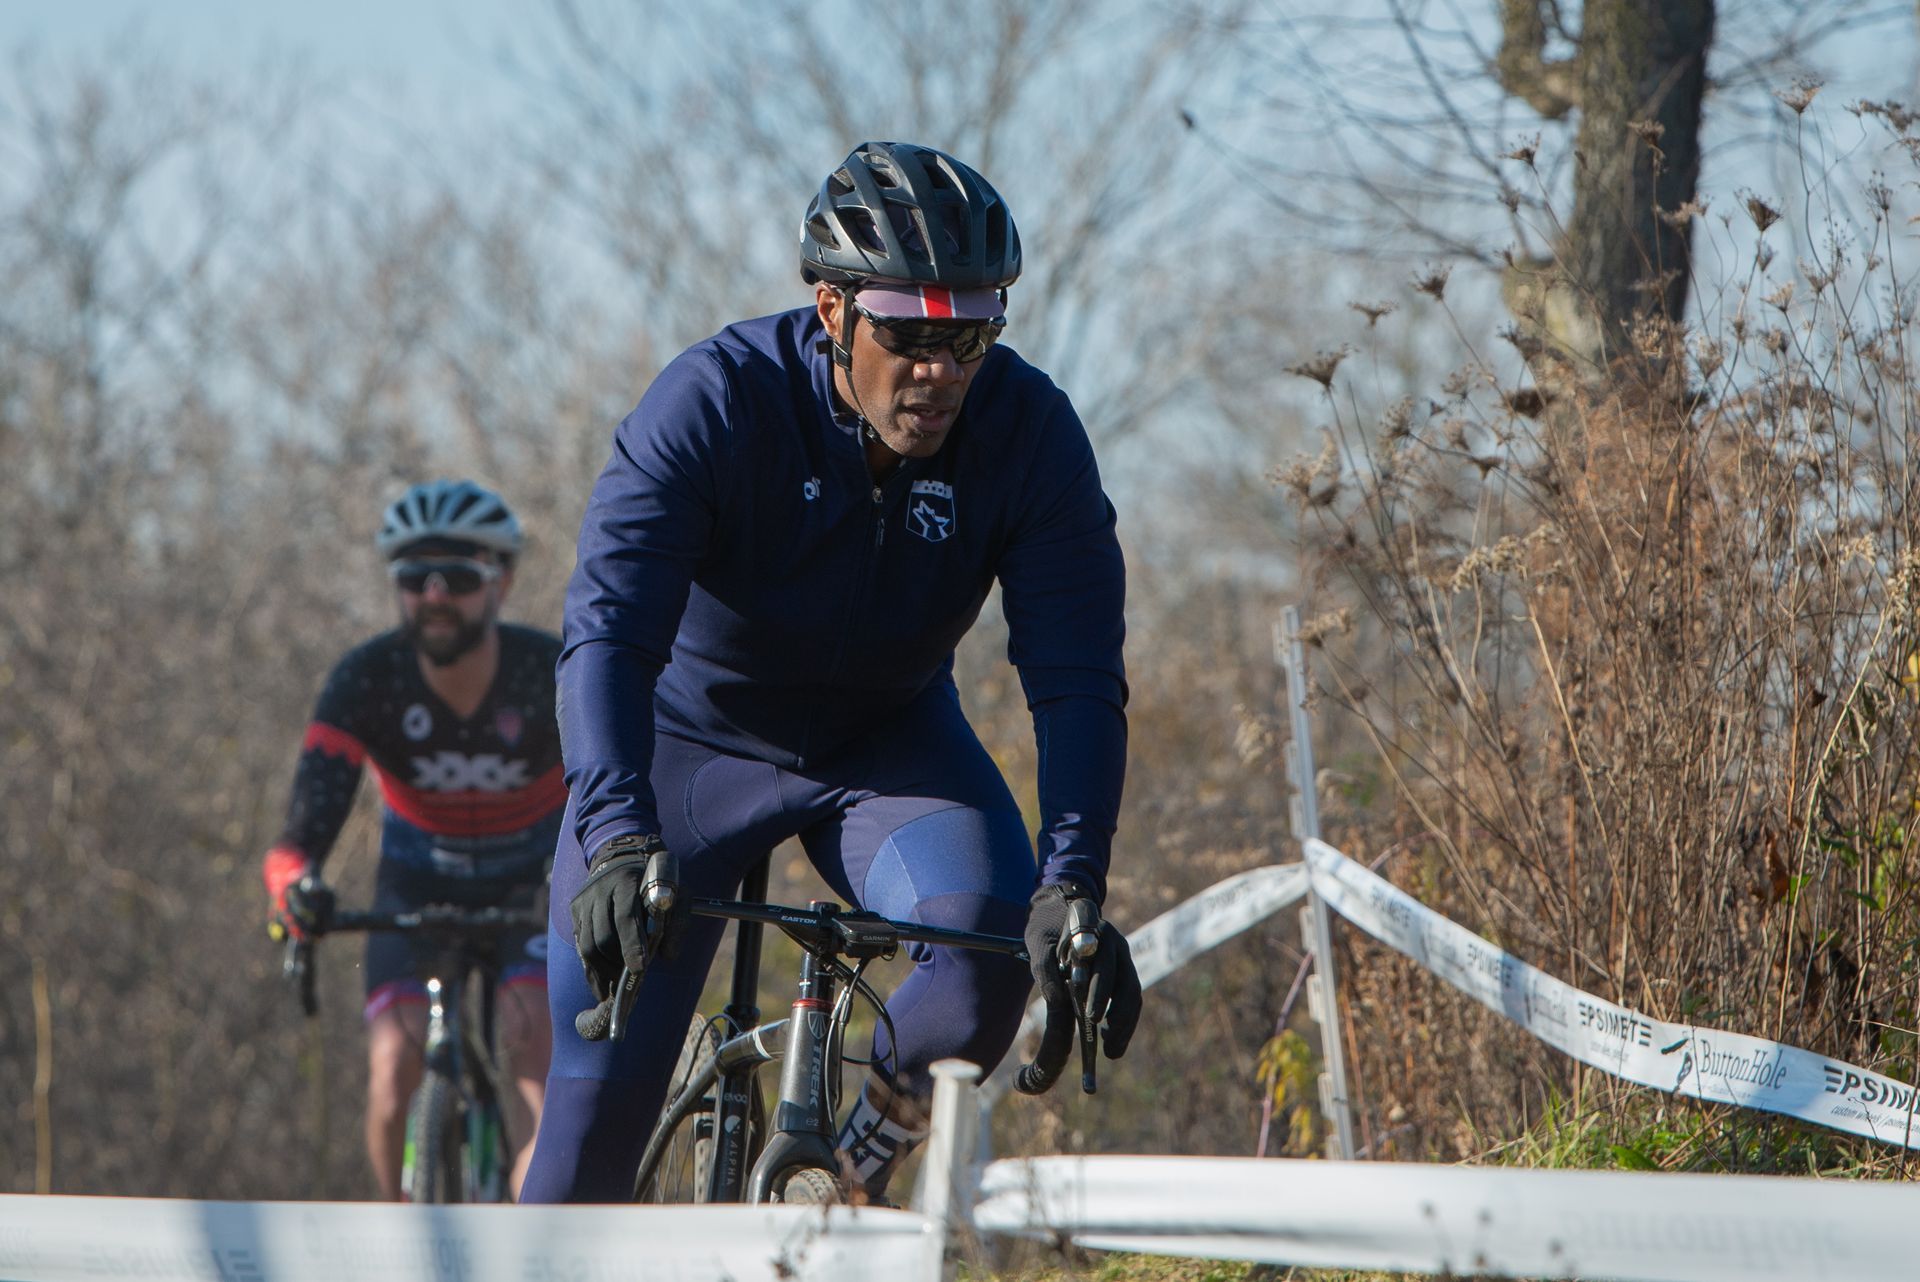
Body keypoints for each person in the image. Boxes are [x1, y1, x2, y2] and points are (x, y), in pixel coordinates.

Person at [522, 141, 1142, 1205]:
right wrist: (618, 831)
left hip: (888, 744)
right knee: (585, 1138)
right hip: (687, 750)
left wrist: (1074, 883)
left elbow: (1078, 672)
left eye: (972, 335)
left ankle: (843, 1193)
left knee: (983, 965)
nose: (941, 370)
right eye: (908, 334)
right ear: (832, 309)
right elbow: (609, 634)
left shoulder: (1028, 431)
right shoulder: (716, 401)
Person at [261, 479, 565, 1200]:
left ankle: (530, 1242)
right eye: (412, 577)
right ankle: (398, 1244)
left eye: (458, 577)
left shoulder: (549, 673)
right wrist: (295, 888)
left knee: (532, 1053)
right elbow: (299, 836)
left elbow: (621, 786)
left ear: (502, 582)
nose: (434, 594)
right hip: (417, 881)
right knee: (393, 1065)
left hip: (535, 882)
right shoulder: (368, 680)